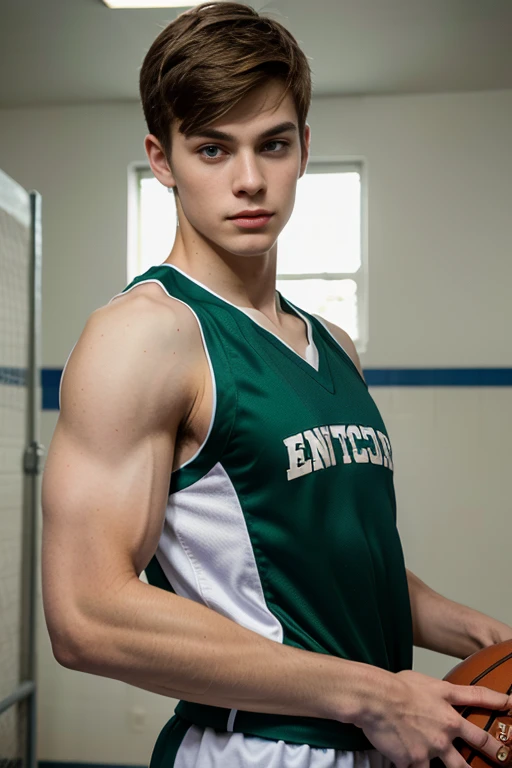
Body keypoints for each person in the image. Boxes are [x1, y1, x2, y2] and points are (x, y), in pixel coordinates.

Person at [41, 3, 512, 768]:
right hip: (258, 748)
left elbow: (335, 559)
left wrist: (480, 636)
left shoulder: (334, 346)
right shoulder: (145, 336)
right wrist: (374, 693)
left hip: (379, 739)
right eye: (213, 149)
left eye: (274, 145)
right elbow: (85, 614)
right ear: (162, 160)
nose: (251, 181)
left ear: (304, 149)